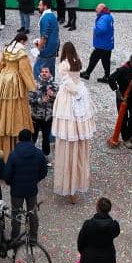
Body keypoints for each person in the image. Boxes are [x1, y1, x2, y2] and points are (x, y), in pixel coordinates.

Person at [51, 43, 95, 203]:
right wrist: (77, 91)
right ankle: (76, 182)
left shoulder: (63, 64)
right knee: (78, 134)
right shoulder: (77, 60)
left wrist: (74, 91)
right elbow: (75, 80)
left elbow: (66, 82)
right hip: (81, 93)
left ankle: (68, 185)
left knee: (68, 134)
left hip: (69, 99)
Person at [0, 33, 35, 156]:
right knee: (16, 111)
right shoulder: (21, 52)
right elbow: (24, 71)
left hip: (3, 80)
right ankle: (15, 140)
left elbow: (0, 64)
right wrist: (31, 86)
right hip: (14, 83)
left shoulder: (6, 48)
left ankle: (3, 141)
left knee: (3, 110)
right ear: (22, 41)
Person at [3, 128, 49, 243]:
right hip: (32, 189)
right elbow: (44, 172)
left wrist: (10, 183)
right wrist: (36, 180)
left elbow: (7, 174)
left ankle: (15, 238)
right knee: (32, 213)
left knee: (16, 214)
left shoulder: (13, 155)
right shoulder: (38, 154)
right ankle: (33, 238)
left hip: (17, 190)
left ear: (19, 139)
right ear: (31, 139)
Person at [105, 53, 132, 148]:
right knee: (123, 118)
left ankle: (130, 134)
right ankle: (125, 138)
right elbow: (111, 78)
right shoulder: (122, 70)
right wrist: (116, 90)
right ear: (130, 61)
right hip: (122, 97)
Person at [81, 4, 114, 82]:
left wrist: (95, 29)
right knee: (106, 60)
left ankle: (87, 73)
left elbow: (101, 29)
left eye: (97, 8)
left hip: (102, 44)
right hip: (108, 43)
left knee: (93, 58)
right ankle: (107, 76)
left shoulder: (103, 18)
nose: (96, 10)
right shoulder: (109, 16)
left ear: (101, 9)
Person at [29, 66, 56, 158]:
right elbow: (29, 100)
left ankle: (45, 156)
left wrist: (52, 96)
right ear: (40, 73)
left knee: (46, 138)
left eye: (46, 71)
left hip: (48, 117)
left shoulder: (55, 86)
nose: (44, 73)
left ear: (50, 73)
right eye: (42, 71)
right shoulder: (34, 85)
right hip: (35, 116)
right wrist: (40, 100)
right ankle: (30, 155)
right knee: (33, 137)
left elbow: (60, 101)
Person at [35, 0, 60, 79]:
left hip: (47, 48)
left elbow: (44, 36)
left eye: (40, 5)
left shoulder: (45, 18)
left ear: (45, 6)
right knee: (50, 69)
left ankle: (39, 88)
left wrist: (38, 49)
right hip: (54, 46)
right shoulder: (52, 16)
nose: (38, 7)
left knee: (38, 69)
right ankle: (51, 87)